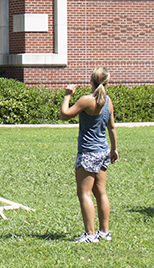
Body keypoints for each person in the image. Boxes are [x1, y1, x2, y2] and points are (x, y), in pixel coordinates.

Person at [59, 67, 119, 243]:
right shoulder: (107, 101)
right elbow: (112, 127)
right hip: (103, 152)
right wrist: (114, 150)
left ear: (91, 80)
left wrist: (67, 95)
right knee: (101, 192)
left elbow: (64, 115)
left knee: (84, 193)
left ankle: (90, 234)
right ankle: (104, 232)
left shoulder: (87, 100)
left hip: (88, 153)